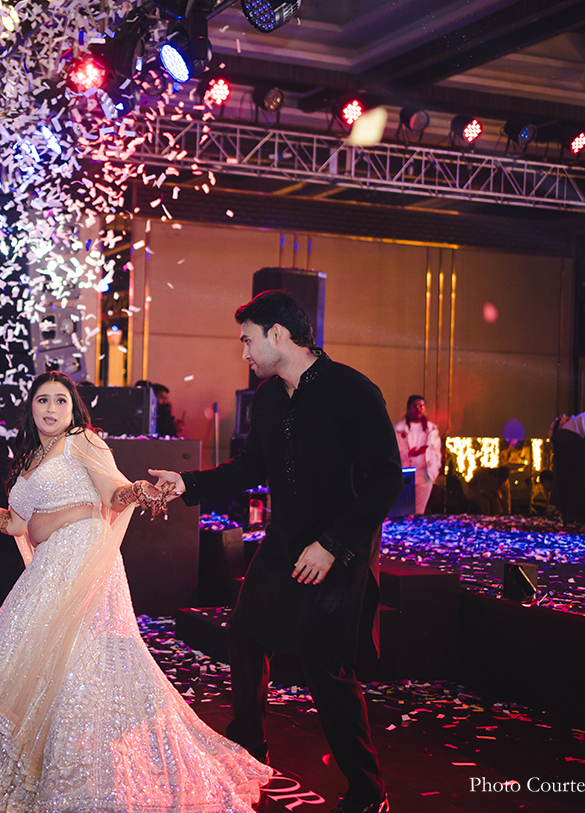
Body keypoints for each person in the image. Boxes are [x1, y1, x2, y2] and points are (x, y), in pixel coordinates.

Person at [0, 371, 271, 812]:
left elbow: (114, 492)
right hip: (47, 571)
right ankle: (33, 763)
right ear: (30, 407)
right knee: (29, 656)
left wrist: (138, 490)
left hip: (84, 560)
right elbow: (14, 523)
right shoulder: (27, 459)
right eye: (42, 400)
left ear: (74, 409)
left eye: (60, 401)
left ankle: (85, 772)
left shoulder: (82, 441)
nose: (50, 409)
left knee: (83, 660)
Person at [150, 291, 403, 813]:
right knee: (245, 634)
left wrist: (333, 546)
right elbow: (250, 469)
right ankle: (250, 747)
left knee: (326, 666)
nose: (243, 352)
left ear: (279, 336)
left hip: (342, 550)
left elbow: (384, 484)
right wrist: (187, 483)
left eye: (248, 340)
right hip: (284, 542)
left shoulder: (355, 392)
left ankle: (367, 790)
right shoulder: (267, 397)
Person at [392, 395, 441, 515]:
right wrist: (409, 454)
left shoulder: (431, 429)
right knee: (404, 510)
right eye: (415, 406)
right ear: (408, 409)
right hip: (406, 475)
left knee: (419, 511)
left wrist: (436, 468)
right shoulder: (398, 429)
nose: (419, 409)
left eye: (422, 406)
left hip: (425, 475)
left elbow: (436, 451)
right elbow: (393, 453)